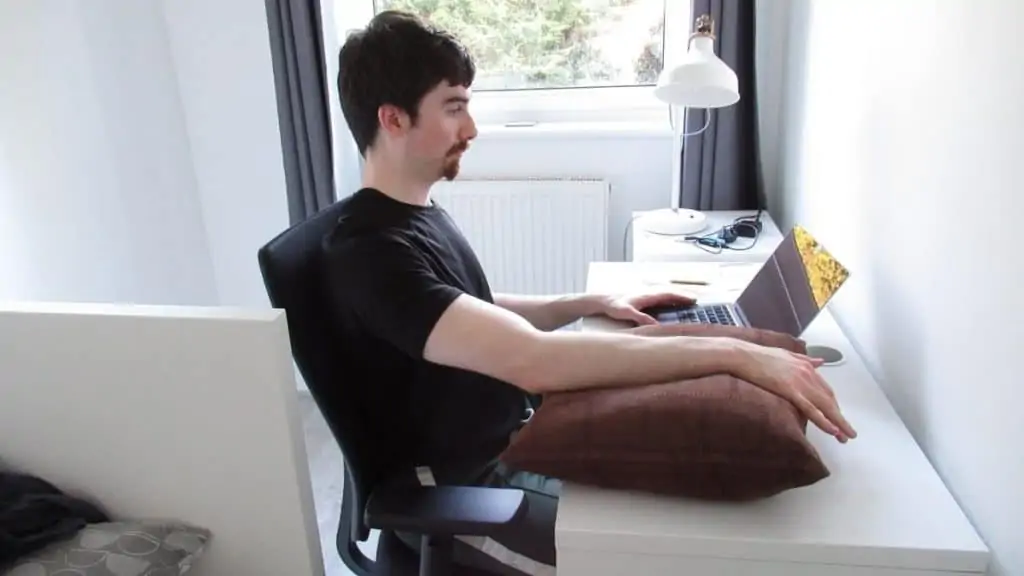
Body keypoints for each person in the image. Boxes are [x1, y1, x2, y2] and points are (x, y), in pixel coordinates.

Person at [322, 10, 857, 576]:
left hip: (512, 440)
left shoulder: (412, 214)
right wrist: (736, 353)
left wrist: (586, 304)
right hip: (468, 497)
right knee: (689, 554)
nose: (472, 128)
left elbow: (462, 308)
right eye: (455, 107)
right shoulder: (370, 252)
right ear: (394, 119)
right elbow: (535, 363)